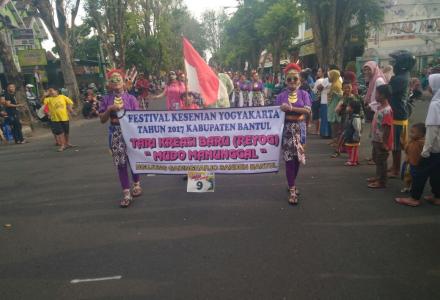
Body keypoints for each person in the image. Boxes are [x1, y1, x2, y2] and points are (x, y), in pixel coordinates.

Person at [99, 69, 142, 208]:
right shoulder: (106, 99)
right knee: (121, 163)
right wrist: (110, 109)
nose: (116, 83)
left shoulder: (131, 99)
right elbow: (102, 119)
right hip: (115, 132)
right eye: (113, 81)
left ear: (124, 83)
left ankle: (136, 184)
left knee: (133, 160)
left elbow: (139, 119)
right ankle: (126, 193)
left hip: (131, 133)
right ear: (109, 85)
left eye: (119, 80)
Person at [395, 74, 440, 207]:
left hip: (433, 147)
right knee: (436, 173)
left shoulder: (435, 105)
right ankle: (437, 196)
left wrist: (425, 150)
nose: (428, 87)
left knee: (418, 173)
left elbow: (432, 130)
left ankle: (414, 198)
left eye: (430, 85)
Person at [276, 63, 311, 205]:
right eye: (289, 79)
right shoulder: (280, 96)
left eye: (295, 79)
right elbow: (275, 115)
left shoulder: (304, 94)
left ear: (300, 80)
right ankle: (292, 188)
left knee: (298, 160)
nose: (292, 82)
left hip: (300, 130)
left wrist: (290, 108)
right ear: (285, 80)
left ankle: (292, 182)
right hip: (286, 130)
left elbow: (307, 110)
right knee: (289, 160)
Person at [388, 51, 416, 178]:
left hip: (398, 115)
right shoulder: (403, 75)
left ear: (401, 64)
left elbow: (387, 90)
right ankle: (395, 166)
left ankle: (396, 169)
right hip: (398, 113)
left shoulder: (399, 79)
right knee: (395, 144)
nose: (393, 64)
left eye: (395, 62)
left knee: (397, 145)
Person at [367, 84, 394, 189]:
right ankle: (378, 177)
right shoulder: (380, 107)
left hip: (381, 140)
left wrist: (384, 142)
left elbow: (387, 127)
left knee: (381, 160)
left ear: (383, 95)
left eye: (377, 94)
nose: (375, 96)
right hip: (376, 139)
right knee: (376, 158)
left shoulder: (387, 110)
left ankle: (381, 181)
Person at [43, 87, 75, 152]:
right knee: (60, 132)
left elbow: (70, 103)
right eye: (49, 91)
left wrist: (71, 110)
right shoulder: (48, 99)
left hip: (64, 117)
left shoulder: (62, 97)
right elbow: (45, 107)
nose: (51, 92)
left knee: (66, 131)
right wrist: (45, 95)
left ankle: (67, 143)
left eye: (52, 90)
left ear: (56, 91)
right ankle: (63, 145)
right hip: (55, 119)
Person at [400, 123, 426, 193]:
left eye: (413, 132)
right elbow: (407, 149)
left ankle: (413, 189)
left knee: (414, 177)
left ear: (421, 134)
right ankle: (408, 187)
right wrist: (403, 143)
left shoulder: (421, 143)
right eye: (410, 132)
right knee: (407, 176)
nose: (410, 134)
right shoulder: (411, 141)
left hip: (416, 163)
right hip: (409, 162)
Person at [343, 100, 362, 166]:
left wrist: (356, 137)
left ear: (352, 109)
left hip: (354, 137)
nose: (347, 107)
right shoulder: (350, 116)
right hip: (349, 136)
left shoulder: (355, 118)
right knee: (349, 148)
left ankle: (353, 161)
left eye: (348, 106)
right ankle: (353, 159)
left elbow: (357, 129)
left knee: (353, 149)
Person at [327, 69, 343, 145]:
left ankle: (336, 141)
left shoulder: (336, 86)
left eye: (329, 76)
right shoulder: (334, 84)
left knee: (335, 126)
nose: (328, 78)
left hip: (335, 108)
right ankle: (334, 140)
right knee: (334, 125)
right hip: (332, 107)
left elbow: (341, 96)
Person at [312, 67, 325, 135]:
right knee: (321, 115)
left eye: (319, 71)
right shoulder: (326, 80)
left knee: (316, 115)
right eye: (318, 71)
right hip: (322, 99)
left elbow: (314, 91)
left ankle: (316, 130)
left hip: (316, 99)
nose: (318, 73)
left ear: (323, 73)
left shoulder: (318, 81)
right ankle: (319, 130)